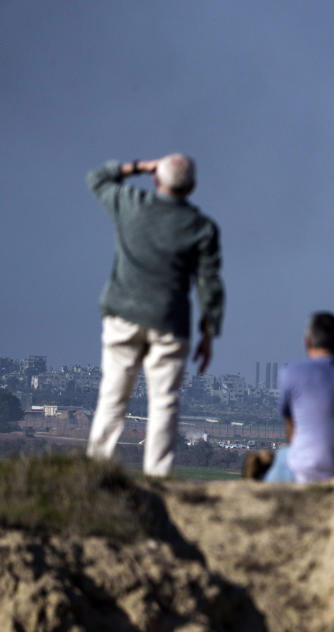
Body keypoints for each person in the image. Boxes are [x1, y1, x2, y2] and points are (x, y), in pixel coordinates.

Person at [85, 154, 224, 477]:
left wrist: (137, 166)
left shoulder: (131, 204)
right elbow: (209, 285)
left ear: (156, 180)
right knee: (163, 402)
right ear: (192, 187)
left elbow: (97, 179)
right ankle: (157, 477)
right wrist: (208, 332)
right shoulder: (201, 228)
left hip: (122, 316)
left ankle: (95, 474)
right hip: (169, 323)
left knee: (113, 397)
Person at [259, 312, 334, 483]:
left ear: (307, 342)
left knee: (280, 460)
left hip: (308, 472)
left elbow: (290, 426)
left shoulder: (292, 374)